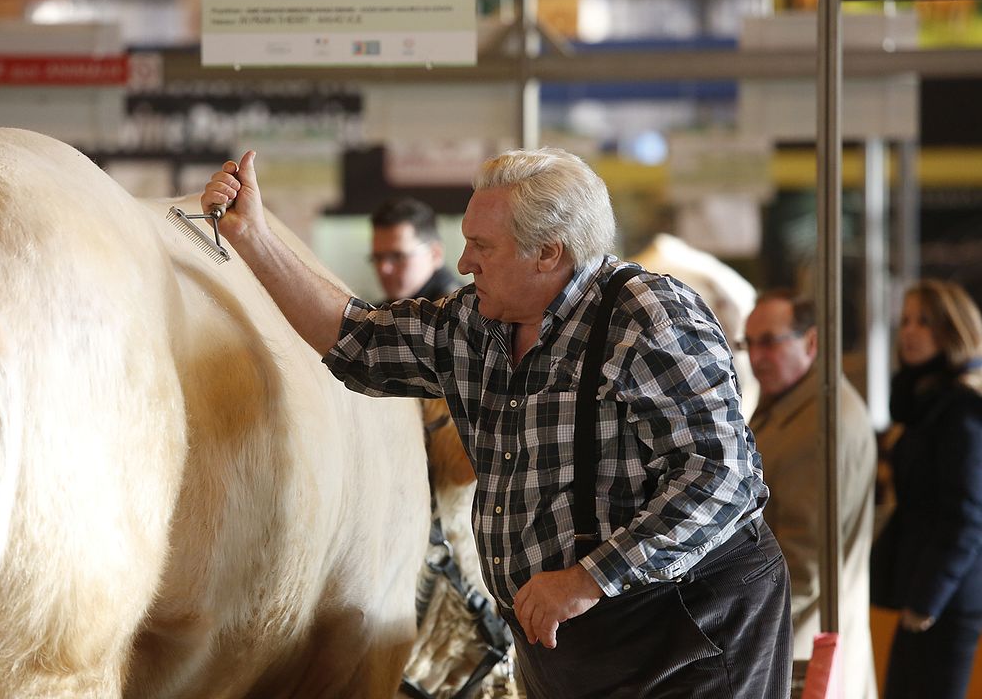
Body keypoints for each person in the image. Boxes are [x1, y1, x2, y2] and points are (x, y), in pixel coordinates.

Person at [202, 147, 792, 697]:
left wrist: (587, 579)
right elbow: (359, 339)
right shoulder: (479, 325)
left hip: (689, 629)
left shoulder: (647, 315)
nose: (463, 263)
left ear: (548, 253)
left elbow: (721, 477)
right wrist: (252, 236)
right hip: (565, 642)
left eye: (482, 246)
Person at [745, 290, 878, 699]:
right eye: (748, 343)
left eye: (769, 341)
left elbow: (805, 562)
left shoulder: (821, 425)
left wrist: (749, 629)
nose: (756, 357)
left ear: (812, 342)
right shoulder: (790, 407)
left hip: (803, 645)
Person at [871, 279, 982, 699]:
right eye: (905, 321)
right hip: (924, 590)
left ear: (953, 329)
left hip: (947, 600)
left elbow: (966, 517)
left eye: (924, 322)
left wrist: (927, 602)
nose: (909, 332)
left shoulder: (962, 409)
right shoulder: (925, 402)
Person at [369, 196, 461, 302]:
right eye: (377, 258)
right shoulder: (390, 309)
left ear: (435, 254)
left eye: (398, 256)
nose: (383, 269)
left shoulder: (454, 310)